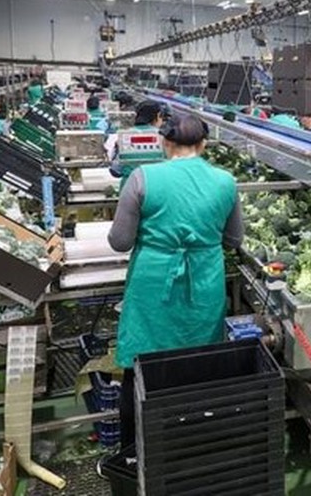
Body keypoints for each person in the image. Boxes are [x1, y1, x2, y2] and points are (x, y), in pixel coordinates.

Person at [106, 114, 244, 452]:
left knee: (141, 363)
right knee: (197, 359)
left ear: (164, 142)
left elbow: (120, 242)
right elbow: (233, 240)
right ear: (204, 144)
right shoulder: (226, 181)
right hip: (204, 281)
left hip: (154, 282)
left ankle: (133, 452)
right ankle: (192, 444)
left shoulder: (142, 178)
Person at [105, 101, 165, 188]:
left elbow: (115, 171)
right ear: (158, 116)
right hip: (156, 186)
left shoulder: (122, 137)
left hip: (129, 186)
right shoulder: (165, 138)